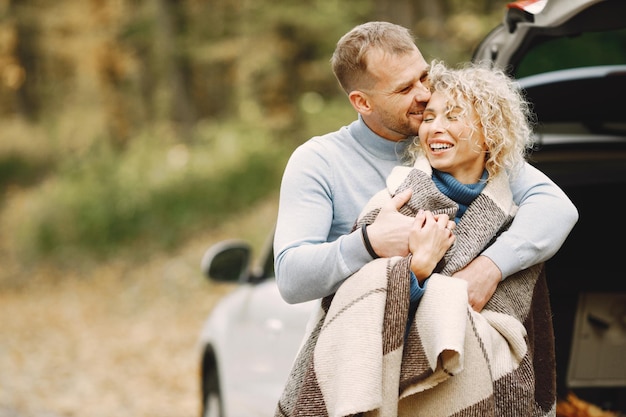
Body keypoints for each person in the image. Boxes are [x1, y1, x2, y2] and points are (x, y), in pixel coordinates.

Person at [276, 60, 563, 417]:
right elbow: (356, 311)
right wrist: (418, 269)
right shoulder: (397, 201)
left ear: (490, 131)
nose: (434, 128)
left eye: (452, 116)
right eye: (428, 118)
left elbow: (521, 329)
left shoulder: (518, 217)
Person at [273, 21, 578, 311]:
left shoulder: (455, 142)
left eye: (424, 76)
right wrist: (370, 242)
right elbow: (290, 277)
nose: (423, 94)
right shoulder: (320, 160)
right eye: (404, 89)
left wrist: (489, 268)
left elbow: (555, 208)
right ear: (362, 102)